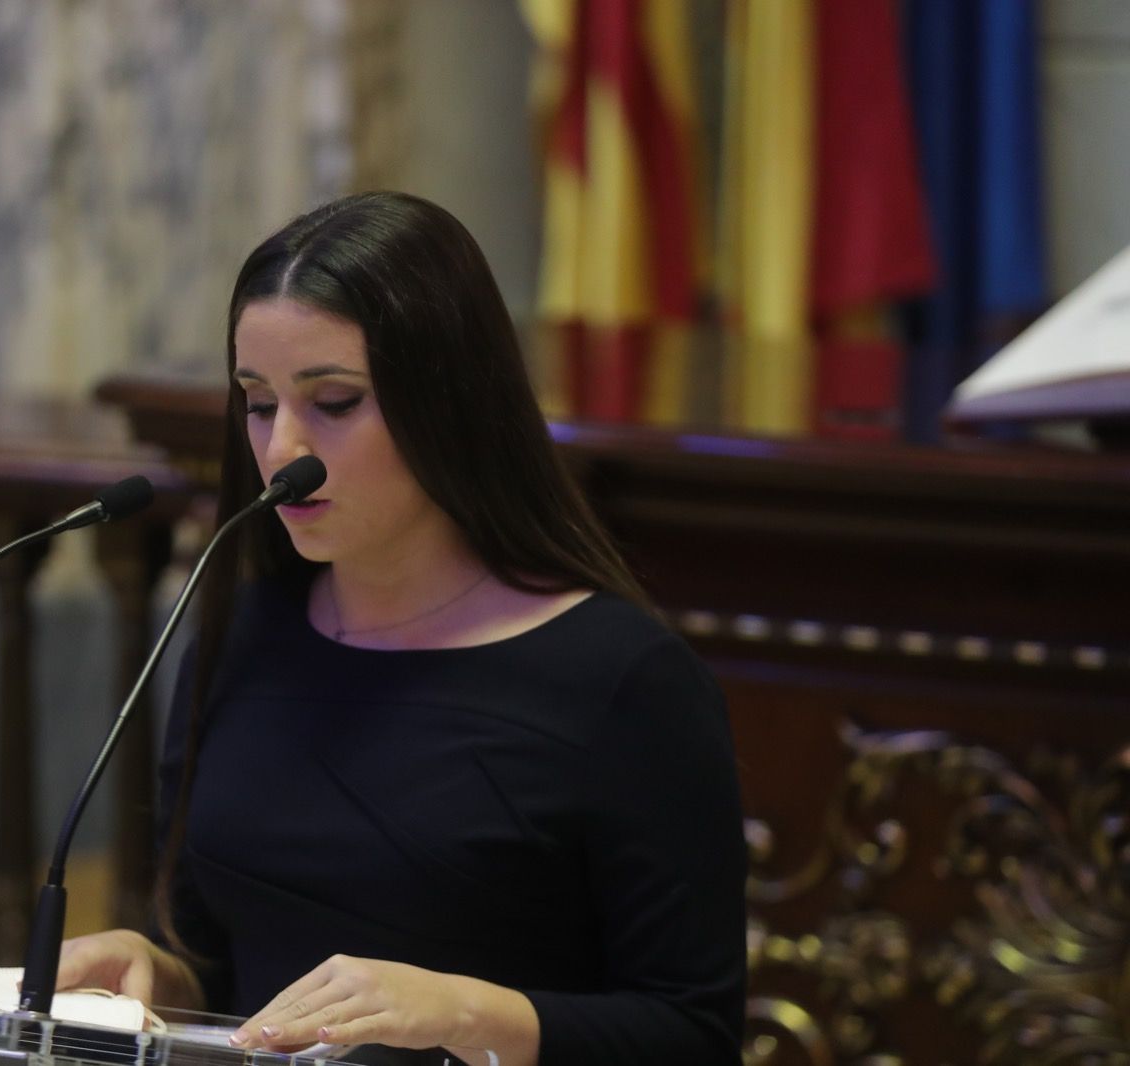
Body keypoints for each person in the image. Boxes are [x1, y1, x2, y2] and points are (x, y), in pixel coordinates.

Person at [52, 191, 746, 1065]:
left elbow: (695, 1038)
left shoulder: (622, 680)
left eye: (334, 401)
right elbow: (221, 961)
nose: (282, 452)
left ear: (449, 402)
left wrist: (464, 1012)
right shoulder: (244, 636)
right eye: (258, 403)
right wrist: (157, 971)